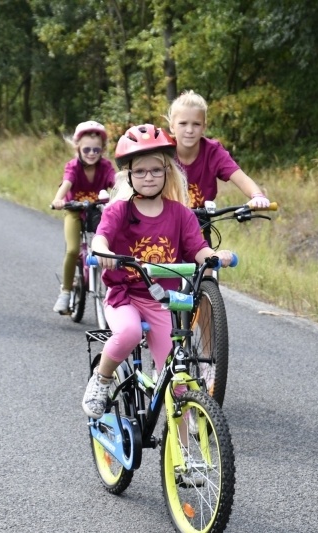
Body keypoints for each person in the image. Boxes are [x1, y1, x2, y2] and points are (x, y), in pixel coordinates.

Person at [81, 124, 235, 419]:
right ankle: (101, 380)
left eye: (155, 170)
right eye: (140, 171)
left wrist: (216, 256)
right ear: (129, 175)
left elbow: (199, 249)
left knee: (175, 376)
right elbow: (101, 237)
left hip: (162, 301)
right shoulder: (119, 211)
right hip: (124, 296)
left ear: (167, 172)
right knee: (128, 333)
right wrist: (105, 252)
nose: (148, 177)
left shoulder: (180, 214)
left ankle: (184, 454)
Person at [165, 90, 270, 243]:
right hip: (165, 228)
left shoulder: (212, 151)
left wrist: (257, 196)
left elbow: (240, 177)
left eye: (196, 124)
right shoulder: (163, 150)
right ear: (172, 126)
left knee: (209, 264)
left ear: (204, 127)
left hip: (199, 229)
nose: (189, 130)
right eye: (183, 123)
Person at [50, 121, 116, 313]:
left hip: (96, 212)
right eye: (86, 149)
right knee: (72, 250)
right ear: (77, 147)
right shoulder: (73, 167)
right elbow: (67, 183)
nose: (91, 153)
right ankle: (66, 291)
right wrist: (58, 199)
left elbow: (116, 181)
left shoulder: (105, 166)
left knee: (108, 249)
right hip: (74, 211)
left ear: (102, 149)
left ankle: (115, 290)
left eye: (96, 149)